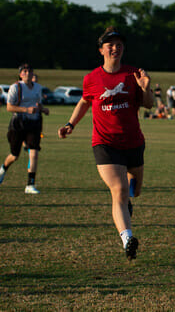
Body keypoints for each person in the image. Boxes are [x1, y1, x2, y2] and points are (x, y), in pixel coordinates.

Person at [57, 27, 154, 261]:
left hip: (133, 143)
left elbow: (149, 104)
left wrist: (146, 87)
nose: (115, 48)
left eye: (119, 44)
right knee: (118, 190)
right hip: (105, 143)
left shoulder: (133, 74)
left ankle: (126, 208)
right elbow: (84, 102)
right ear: (101, 50)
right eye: (110, 44)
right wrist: (70, 124)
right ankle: (127, 238)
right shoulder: (91, 78)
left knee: (134, 191)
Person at [1, 63, 50, 194]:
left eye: (30, 71)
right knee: (14, 155)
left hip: (34, 124)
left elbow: (38, 103)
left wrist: (43, 109)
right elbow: (9, 107)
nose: (27, 73)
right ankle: (3, 169)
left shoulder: (38, 87)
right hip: (18, 124)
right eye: (24, 71)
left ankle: (30, 184)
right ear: (20, 74)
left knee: (34, 152)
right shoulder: (15, 87)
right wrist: (26, 109)